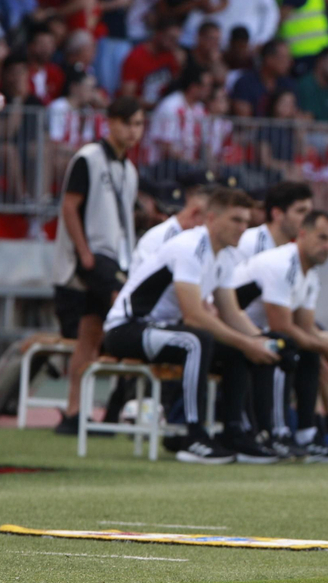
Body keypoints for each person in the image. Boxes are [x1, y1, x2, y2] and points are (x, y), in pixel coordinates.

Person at [102, 187, 281, 464]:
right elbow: (194, 316)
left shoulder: (225, 255)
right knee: (197, 340)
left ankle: (236, 432)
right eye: (236, 220)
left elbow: (231, 312)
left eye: (247, 222)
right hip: (126, 328)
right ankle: (192, 434)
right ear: (211, 218)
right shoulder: (191, 246)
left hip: (162, 329)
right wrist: (248, 342)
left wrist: (261, 341)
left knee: (236, 350)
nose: (243, 228)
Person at [225, 210, 328, 461]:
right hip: (231, 331)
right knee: (286, 346)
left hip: (257, 333)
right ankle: (276, 433)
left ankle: (307, 434)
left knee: (308, 349)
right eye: (322, 238)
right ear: (302, 234)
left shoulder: (310, 275)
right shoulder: (282, 264)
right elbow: (283, 326)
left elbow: (306, 326)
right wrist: (324, 346)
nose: (327, 246)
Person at [50, 95, 144, 435]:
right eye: (127, 123)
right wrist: (84, 252)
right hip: (93, 258)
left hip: (118, 258)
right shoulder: (88, 158)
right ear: (110, 123)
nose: (133, 131)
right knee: (131, 315)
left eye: (138, 124)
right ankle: (114, 405)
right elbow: (70, 206)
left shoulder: (128, 169)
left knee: (89, 337)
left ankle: (77, 412)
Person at [132, 179, 209, 270]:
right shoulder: (161, 235)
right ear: (194, 213)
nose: (165, 218)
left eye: (176, 213)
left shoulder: (190, 237)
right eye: (167, 213)